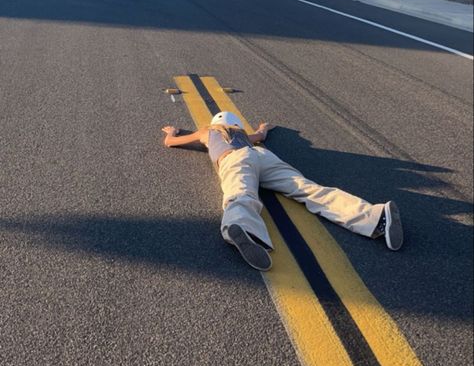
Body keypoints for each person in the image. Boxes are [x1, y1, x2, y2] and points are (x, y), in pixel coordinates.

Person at [162, 111, 403, 272]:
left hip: (234, 160)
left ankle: (246, 228)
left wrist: (172, 132)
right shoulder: (243, 134)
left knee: (240, 192)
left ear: (216, 122)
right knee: (309, 189)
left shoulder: (208, 131)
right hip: (263, 155)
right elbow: (262, 135)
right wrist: (262, 127)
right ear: (235, 122)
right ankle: (375, 217)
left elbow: (171, 143)